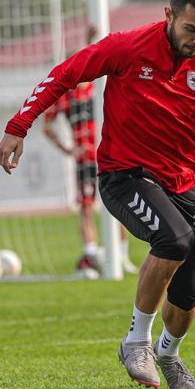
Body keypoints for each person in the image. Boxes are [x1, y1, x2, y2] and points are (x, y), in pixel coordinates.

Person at [0, 0, 195, 389]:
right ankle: (136, 342)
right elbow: (64, 74)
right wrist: (19, 125)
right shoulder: (127, 46)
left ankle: (168, 353)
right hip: (123, 174)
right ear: (168, 14)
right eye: (191, 29)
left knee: (186, 303)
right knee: (174, 240)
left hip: (182, 183)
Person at [42, 26, 138, 277]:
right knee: (86, 206)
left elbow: (100, 55)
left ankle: (122, 257)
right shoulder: (65, 96)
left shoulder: (96, 87)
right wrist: (68, 150)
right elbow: (47, 126)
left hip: (109, 153)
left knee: (117, 205)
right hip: (85, 158)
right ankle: (91, 254)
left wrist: (89, 40)